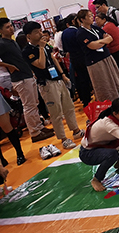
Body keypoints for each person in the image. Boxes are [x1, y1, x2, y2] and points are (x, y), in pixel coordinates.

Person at [22, 21, 84, 150]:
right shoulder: (28, 51)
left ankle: (76, 130)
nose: (40, 33)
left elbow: (53, 58)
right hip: (47, 84)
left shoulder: (45, 45)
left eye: (40, 30)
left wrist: (63, 75)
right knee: (56, 113)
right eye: (36, 32)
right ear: (29, 36)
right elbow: (41, 65)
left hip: (58, 79)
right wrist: (40, 48)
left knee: (69, 106)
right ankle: (63, 138)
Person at [0, 18, 54, 143]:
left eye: (11, 26)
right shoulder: (2, 43)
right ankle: (35, 132)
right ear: (1, 30)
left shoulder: (12, 42)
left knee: (34, 103)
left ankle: (39, 127)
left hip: (27, 75)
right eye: (7, 27)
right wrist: (8, 66)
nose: (11, 28)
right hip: (20, 78)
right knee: (29, 105)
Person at [76, 9, 119, 102]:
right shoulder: (81, 33)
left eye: (92, 15)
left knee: (115, 79)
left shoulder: (95, 28)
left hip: (106, 56)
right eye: (89, 16)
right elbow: (92, 46)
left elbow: (110, 38)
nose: (92, 17)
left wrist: (99, 42)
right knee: (104, 83)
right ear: (82, 19)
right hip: (95, 61)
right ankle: (108, 103)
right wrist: (103, 41)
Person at [94, 13, 119, 94]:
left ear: (104, 19)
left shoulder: (106, 28)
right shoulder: (111, 24)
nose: (96, 22)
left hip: (117, 50)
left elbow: (107, 42)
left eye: (97, 20)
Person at [61, 13, 92, 107]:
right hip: (82, 57)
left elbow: (65, 49)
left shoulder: (64, 33)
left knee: (79, 79)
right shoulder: (77, 32)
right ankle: (87, 99)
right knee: (86, 78)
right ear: (74, 21)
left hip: (73, 58)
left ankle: (83, 99)